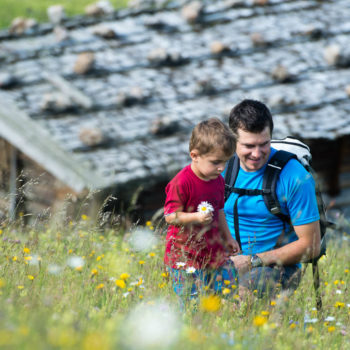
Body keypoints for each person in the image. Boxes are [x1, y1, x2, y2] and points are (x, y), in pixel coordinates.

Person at [225, 99, 321, 296]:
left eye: (264, 144)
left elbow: (311, 246)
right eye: (249, 146)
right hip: (225, 262)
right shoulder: (220, 168)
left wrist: (252, 261)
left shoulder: (295, 177)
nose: (257, 154)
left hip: (274, 266)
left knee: (242, 295)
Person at [164, 118, 240, 299]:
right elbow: (169, 216)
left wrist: (228, 238)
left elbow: (220, 210)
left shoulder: (218, 180)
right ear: (195, 155)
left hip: (214, 250)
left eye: (225, 162)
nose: (221, 168)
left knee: (228, 293)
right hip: (185, 256)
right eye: (215, 162)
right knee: (192, 303)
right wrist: (195, 218)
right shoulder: (181, 182)